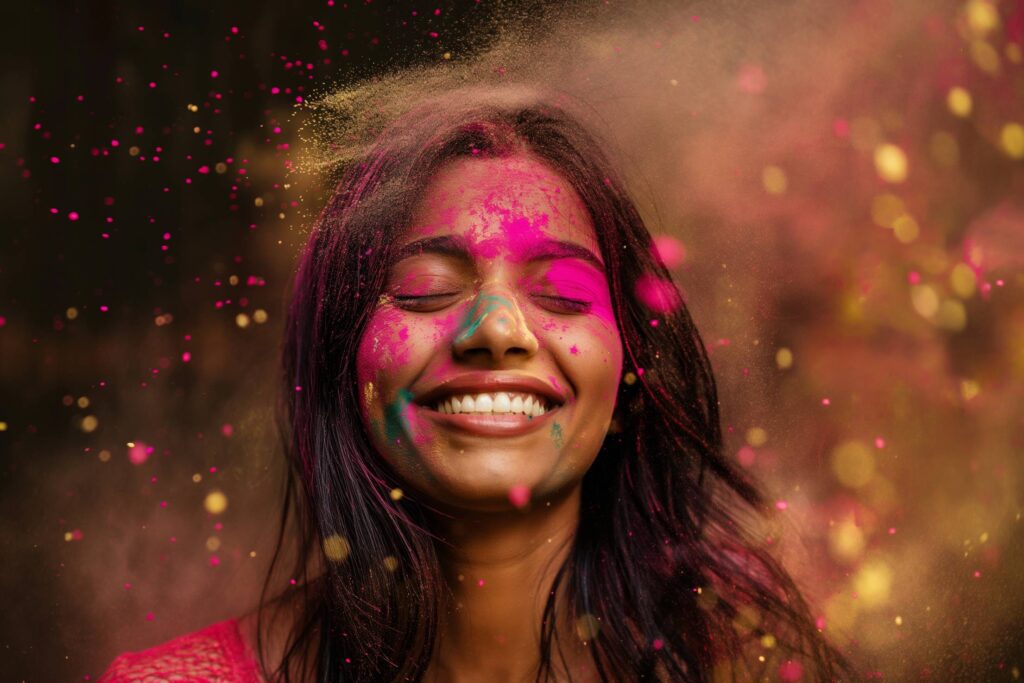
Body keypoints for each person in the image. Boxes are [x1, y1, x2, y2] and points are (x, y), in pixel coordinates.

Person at [101, 87, 849, 682]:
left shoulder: (755, 670)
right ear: (340, 354)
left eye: (560, 294)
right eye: (425, 289)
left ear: (628, 365)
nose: (496, 329)